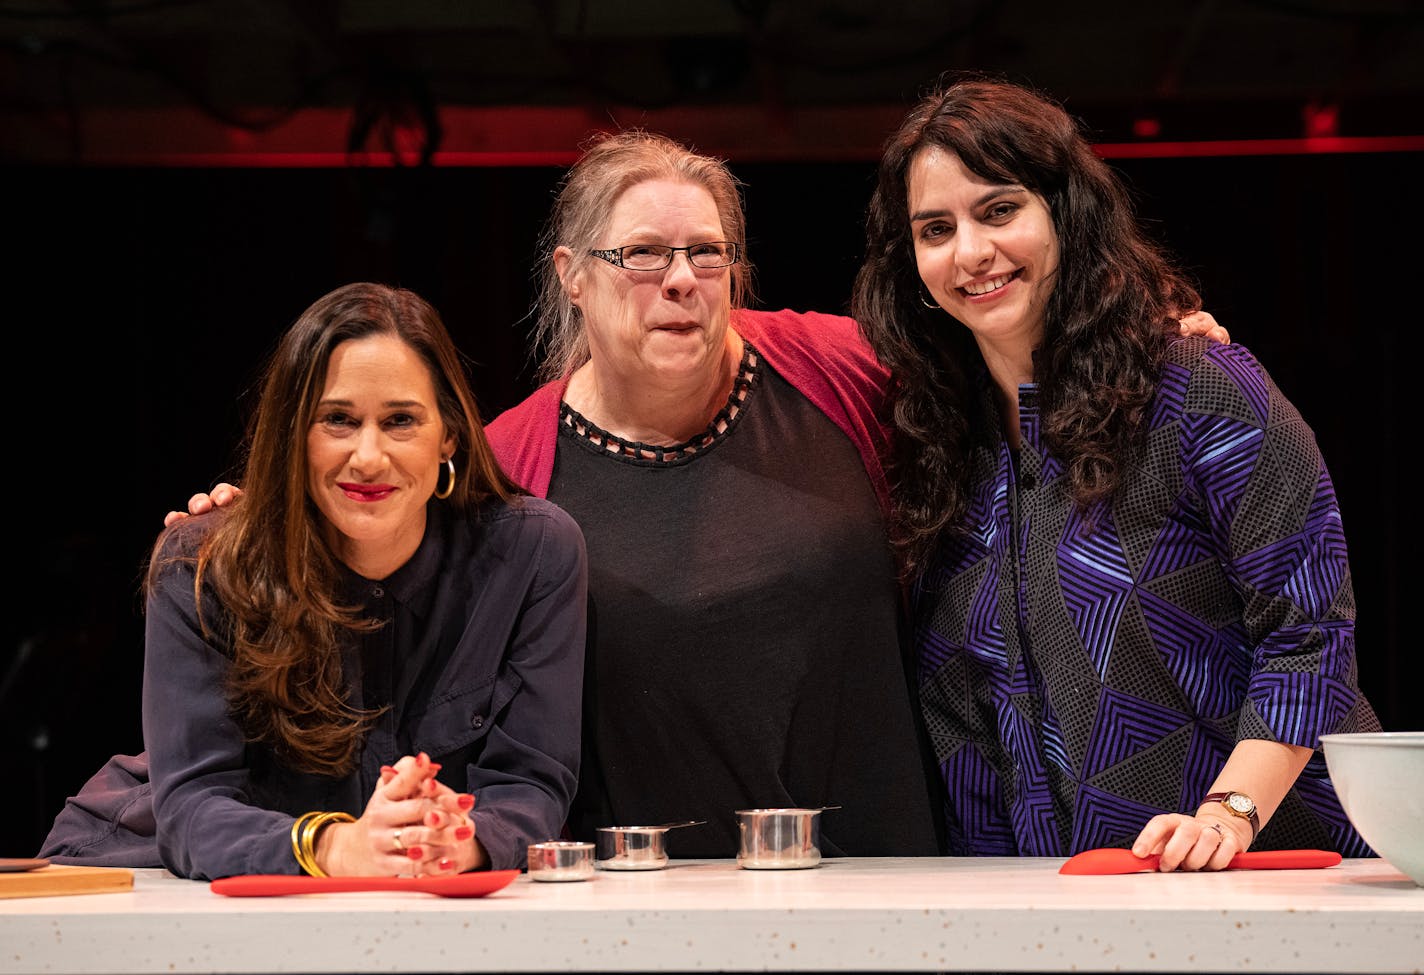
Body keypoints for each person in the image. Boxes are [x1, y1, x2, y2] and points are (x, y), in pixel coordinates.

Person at [167, 131, 1227, 860]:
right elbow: (377, 531)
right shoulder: (511, 466)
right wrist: (260, 509)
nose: (679, 279)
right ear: (572, 275)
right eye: (641, 256)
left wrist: (1140, 349)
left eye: (704, 253)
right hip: (647, 895)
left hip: (889, 868)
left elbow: (997, 350)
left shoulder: (832, 367)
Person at [850, 75, 1380, 871]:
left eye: (1000, 210)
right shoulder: (935, 446)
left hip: (1266, 884)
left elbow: (1309, 633)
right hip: (1056, 904)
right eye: (935, 228)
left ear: (1065, 213)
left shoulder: (1200, 389)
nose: (970, 252)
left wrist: (1227, 815)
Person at [41, 282, 588, 879]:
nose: (369, 456)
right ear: (293, 434)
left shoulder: (534, 553)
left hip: (404, 886)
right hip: (162, 876)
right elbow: (192, 809)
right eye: (338, 421)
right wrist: (338, 847)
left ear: (449, 436)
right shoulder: (200, 564)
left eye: (401, 420)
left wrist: (460, 838)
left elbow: (530, 783)